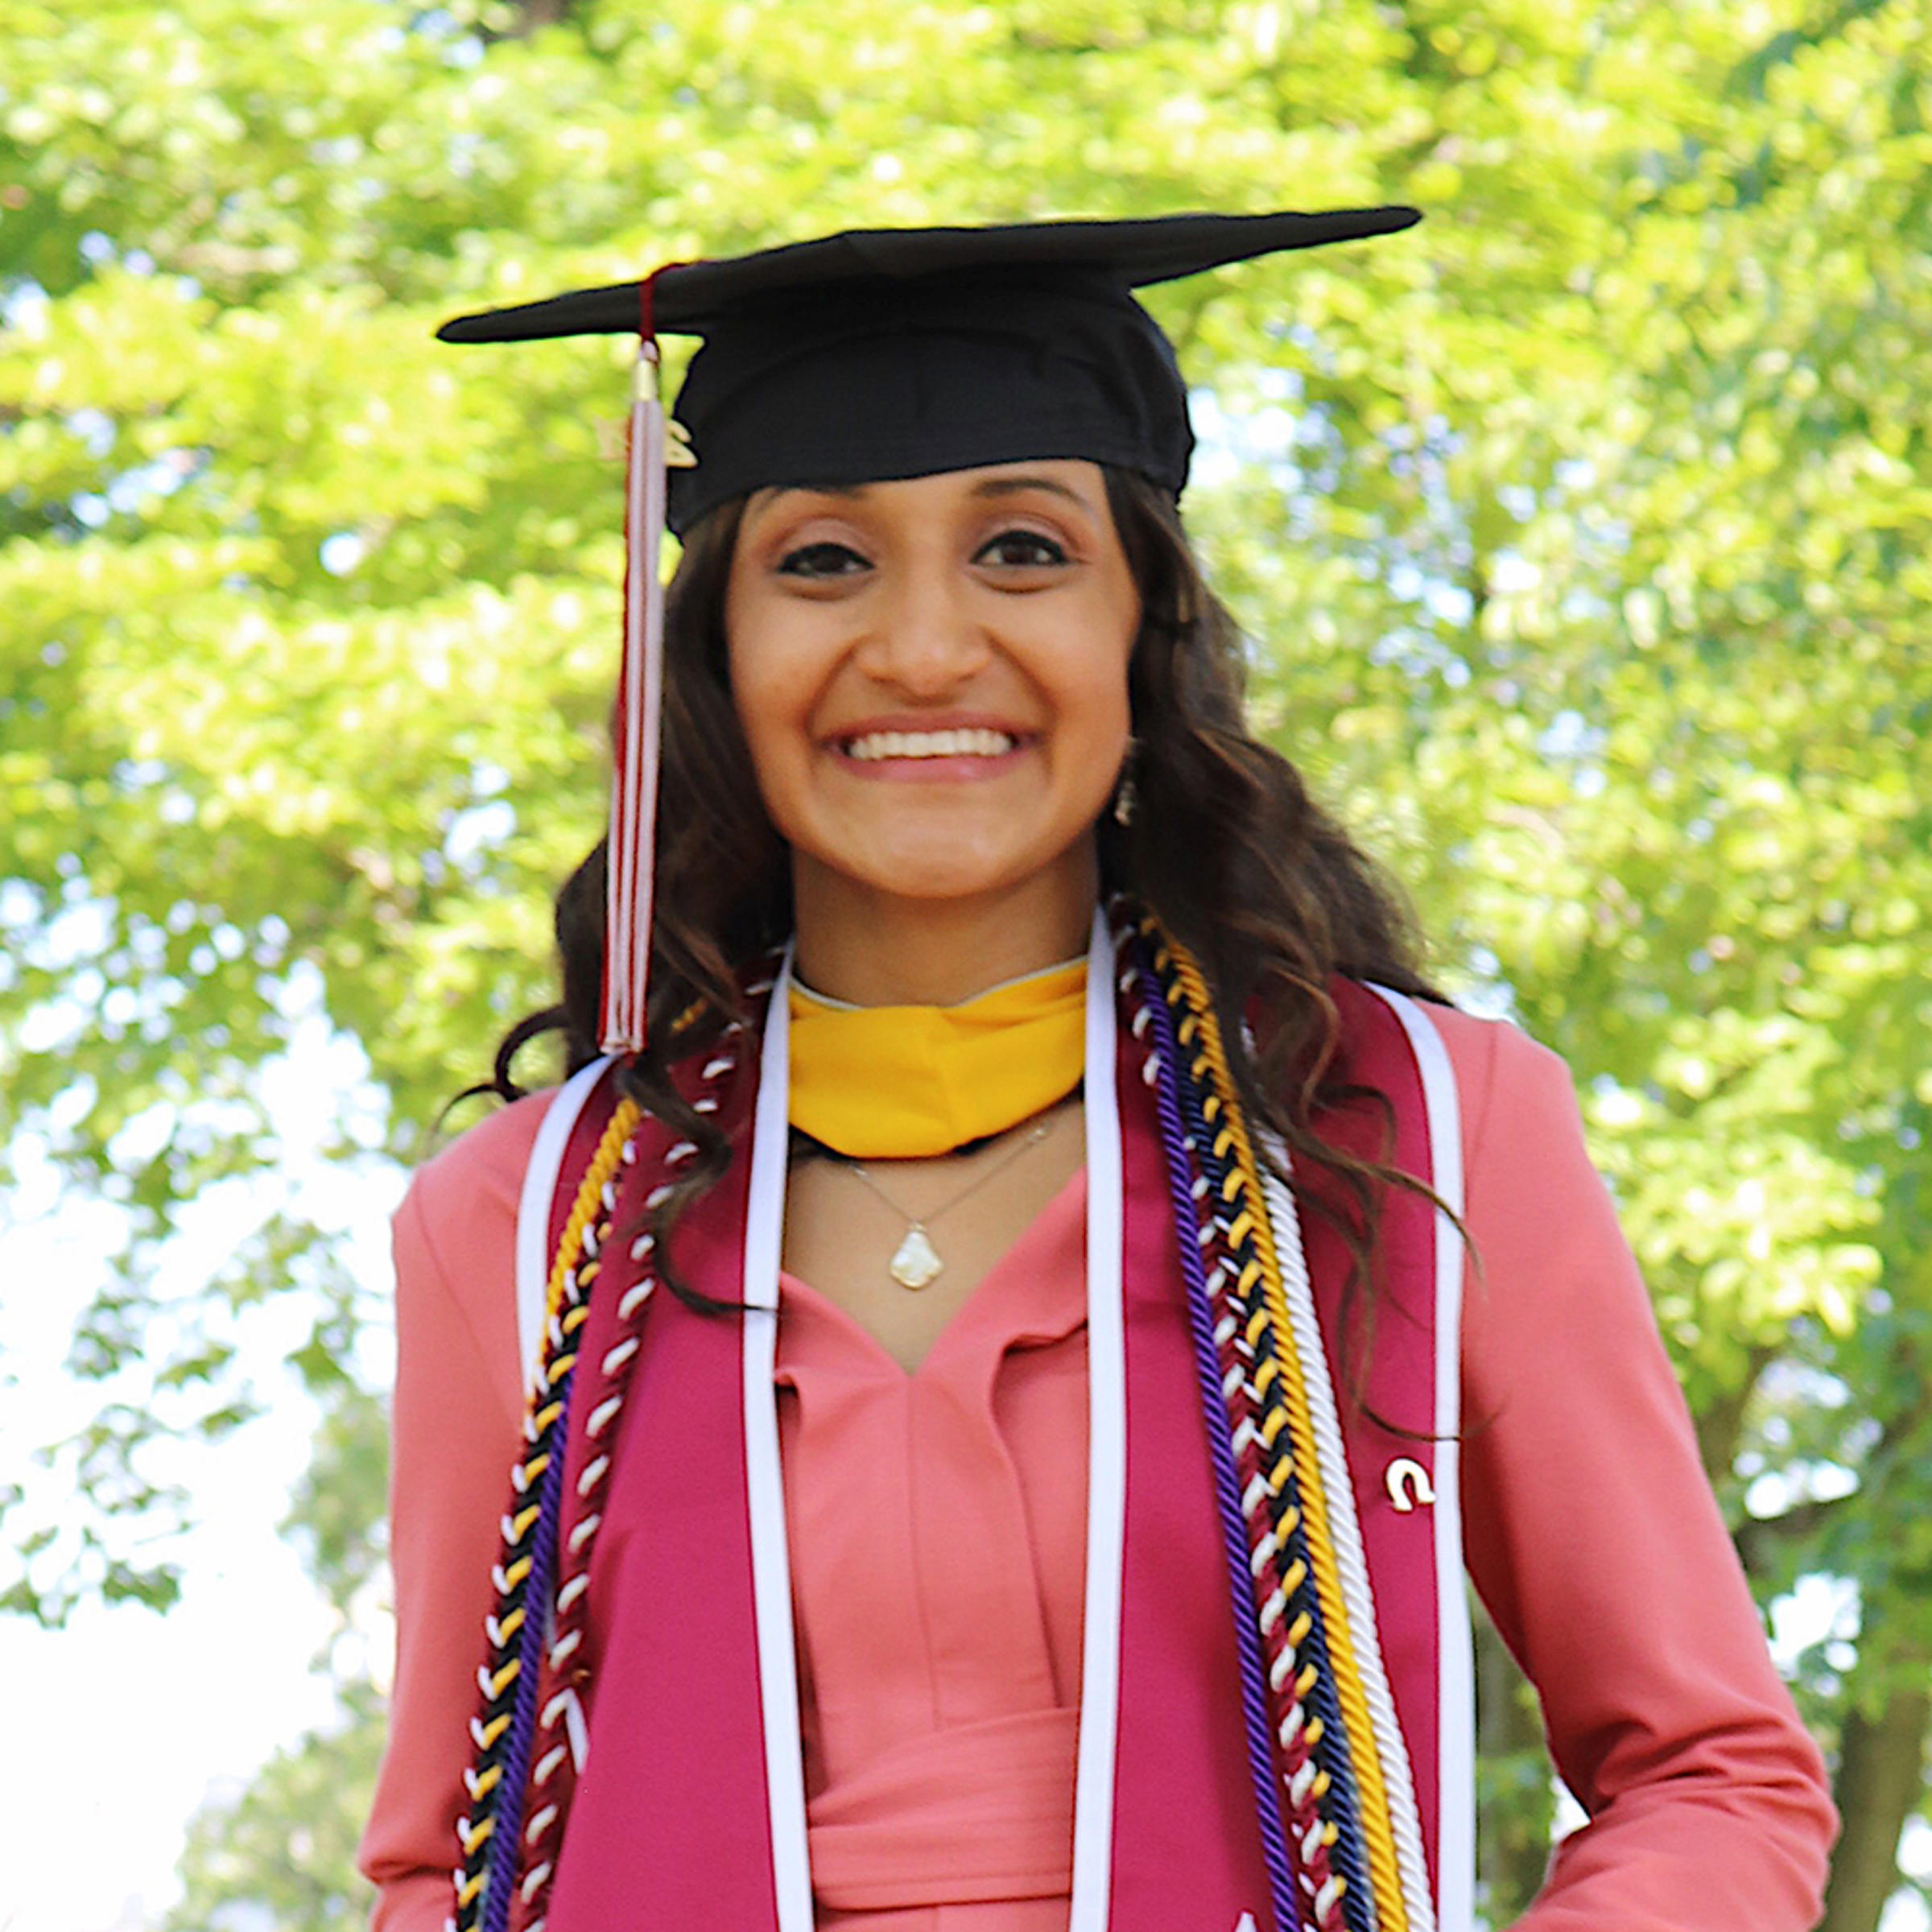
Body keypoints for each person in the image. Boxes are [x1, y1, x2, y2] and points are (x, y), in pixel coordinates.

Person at [357, 213, 1836, 1932]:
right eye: (823, 560)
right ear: (716, 654)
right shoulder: (528, 1224)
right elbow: (441, 1877)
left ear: (1145, 627)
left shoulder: (1406, 1132)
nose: (922, 651)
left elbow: (1713, 1778)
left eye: (1023, 552)